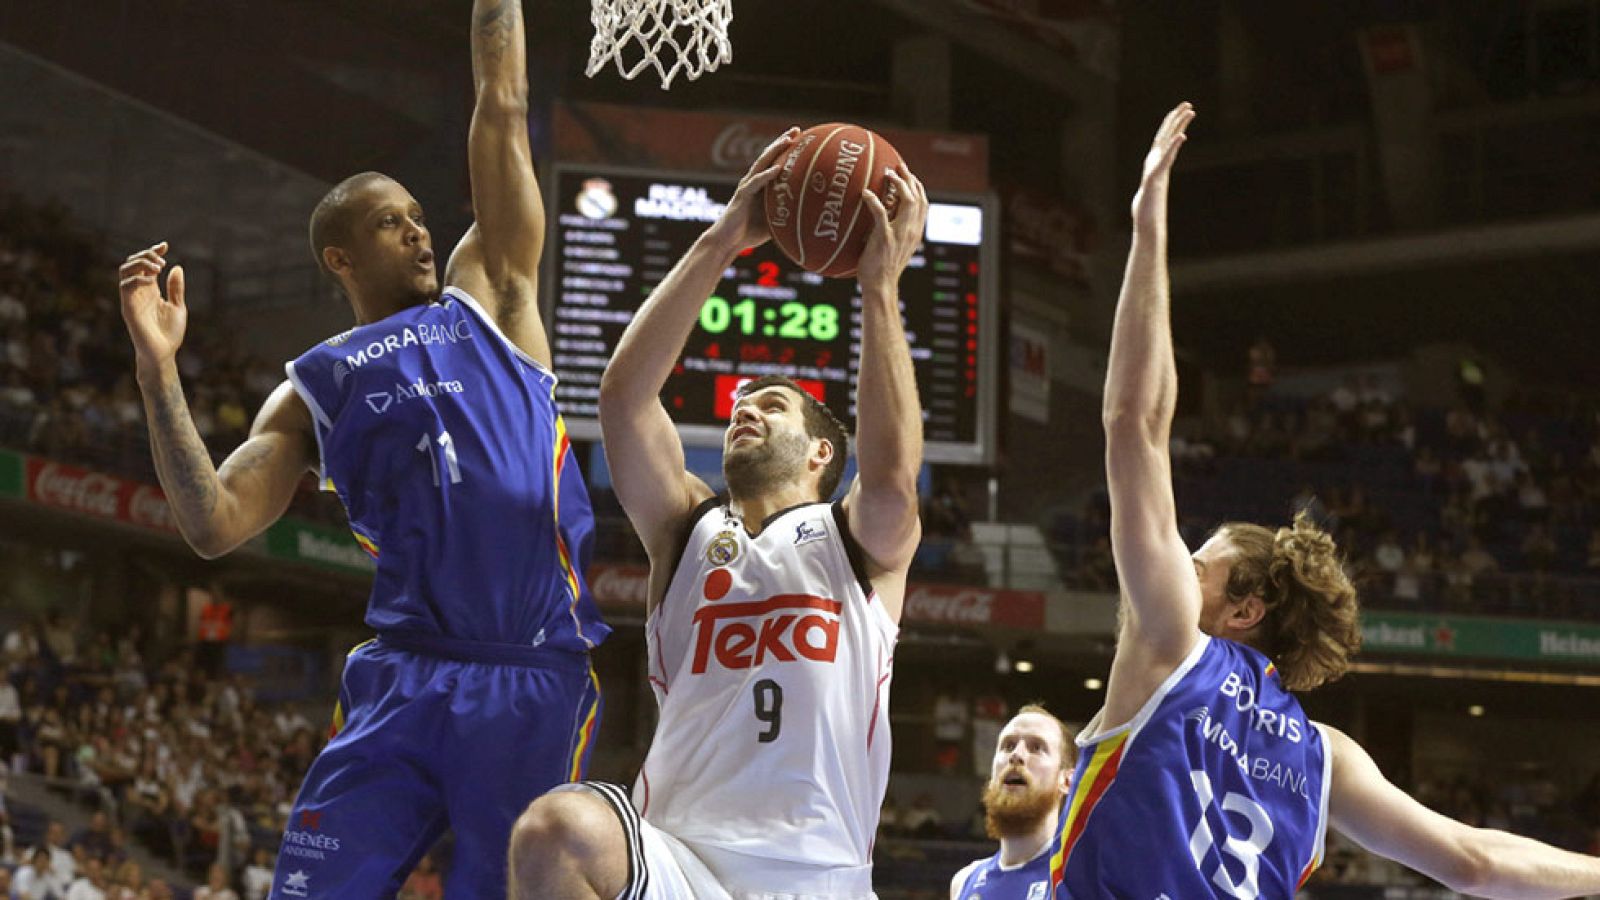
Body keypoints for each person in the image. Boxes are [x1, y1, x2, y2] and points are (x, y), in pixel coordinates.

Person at [115, 1, 609, 895]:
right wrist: (158, 371)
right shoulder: (315, 389)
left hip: (529, 669)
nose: (419, 230)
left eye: (420, 214)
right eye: (392, 222)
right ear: (339, 258)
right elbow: (212, 523)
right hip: (403, 676)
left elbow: (501, 103)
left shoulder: (491, 295)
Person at [1051, 101, 1600, 899]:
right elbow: (1475, 861)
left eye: (1199, 562)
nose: (1175, 561)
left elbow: (1134, 422)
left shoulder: (1170, 642)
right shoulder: (1327, 755)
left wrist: (1147, 226)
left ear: (1243, 610)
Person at [508, 133, 930, 898]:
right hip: (679, 859)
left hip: (816, 873)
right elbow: (624, 401)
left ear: (821, 457)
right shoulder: (686, 528)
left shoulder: (857, 541)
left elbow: (896, 475)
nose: (746, 409)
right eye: (741, 403)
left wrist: (879, 289)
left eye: (773, 405)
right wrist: (723, 238)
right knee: (556, 831)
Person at [950, 706, 1075, 900]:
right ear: (991, 777)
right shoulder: (964, 881)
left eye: (1036, 748)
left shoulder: (1078, 877)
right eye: (1008, 746)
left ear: (1066, 780)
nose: (1016, 755)